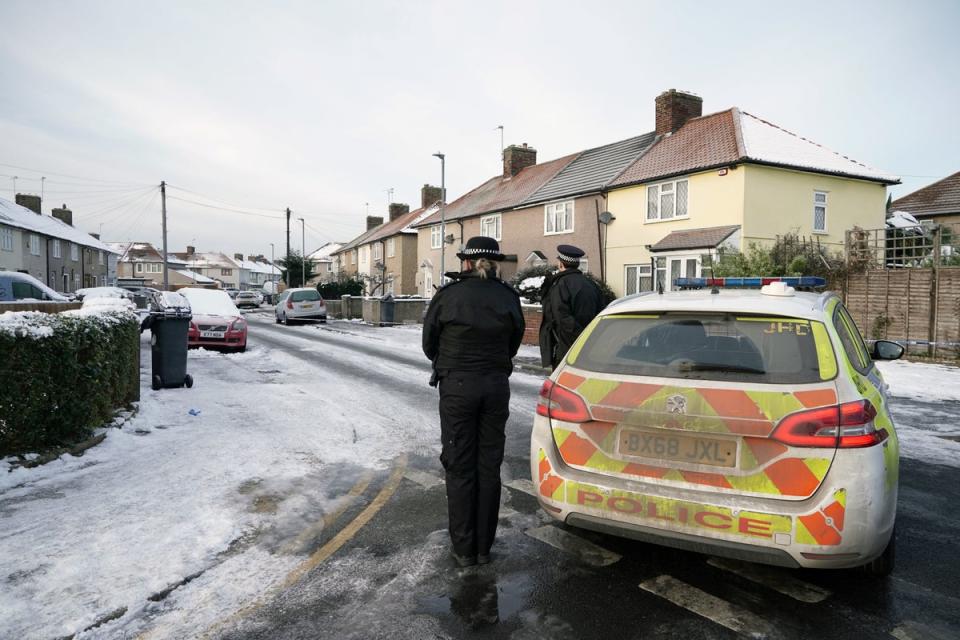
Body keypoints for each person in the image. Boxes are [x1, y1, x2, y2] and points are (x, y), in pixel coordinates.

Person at [422, 236, 525, 568]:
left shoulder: (448, 296)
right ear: (494, 264)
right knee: (488, 465)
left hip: (458, 386)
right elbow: (514, 341)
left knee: (460, 464)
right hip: (496, 385)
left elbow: (429, 342)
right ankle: (483, 548)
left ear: (466, 263)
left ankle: (464, 549)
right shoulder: (508, 297)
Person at [539, 244, 605, 370]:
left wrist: (579, 339)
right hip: (591, 346)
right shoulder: (591, 284)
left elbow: (561, 318)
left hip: (567, 348)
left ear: (561, 264)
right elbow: (601, 312)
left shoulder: (560, 285)